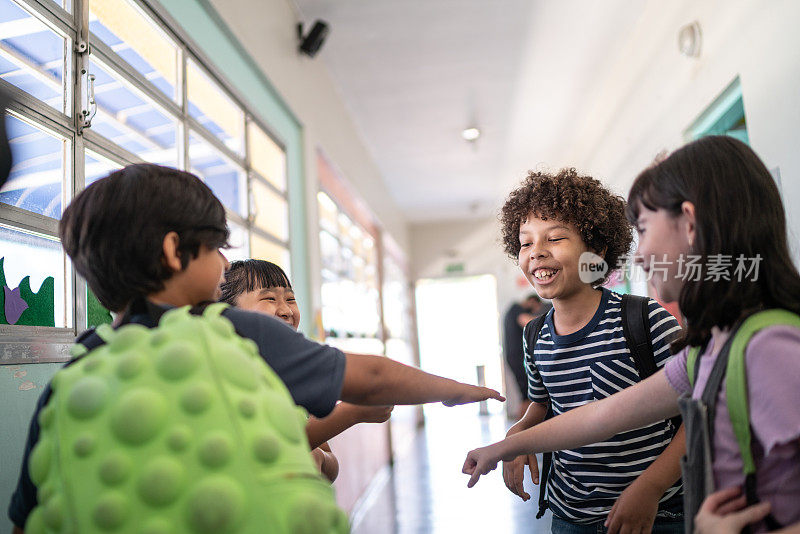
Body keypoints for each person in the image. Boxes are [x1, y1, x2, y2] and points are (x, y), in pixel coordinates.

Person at [8, 163, 503, 532]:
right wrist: (454, 388)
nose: (224, 265)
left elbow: (28, 506)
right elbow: (371, 378)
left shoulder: (78, 370)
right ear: (173, 251)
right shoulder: (231, 329)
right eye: (215, 248)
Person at [463, 136, 800, 533]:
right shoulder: (710, 350)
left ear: (689, 224)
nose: (638, 255)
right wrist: (508, 444)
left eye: (643, 228)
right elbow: (601, 416)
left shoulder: (769, 348)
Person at [492, 168, 685, 533]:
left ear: (596, 251)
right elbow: (543, 403)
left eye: (555, 238)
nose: (537, 252)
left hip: (659, 512)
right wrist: (515, 436)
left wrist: (652, 487)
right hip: (571, 516)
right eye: (526, 242)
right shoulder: (535, 335)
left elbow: (697, 411)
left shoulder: (644, 319)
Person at [219, 258, 394, 482]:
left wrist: (318, 456)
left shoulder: (294, 375)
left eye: (291, 299)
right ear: (229, 312)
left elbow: (330, 468)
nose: (286, 310)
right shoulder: (226, 372)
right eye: (269, 298)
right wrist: (351, 413)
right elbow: (266, 452)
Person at [502, 293, 550, 419]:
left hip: (515, 357)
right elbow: (527, 321)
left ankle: (522, 429)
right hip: (516, 358)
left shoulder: (512, 309)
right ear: (532, 302)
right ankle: (521, 429)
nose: (534, 312)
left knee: (527, 395)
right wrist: (552, 318)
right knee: (527, 396)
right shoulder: (516, 308)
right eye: (535, 309)